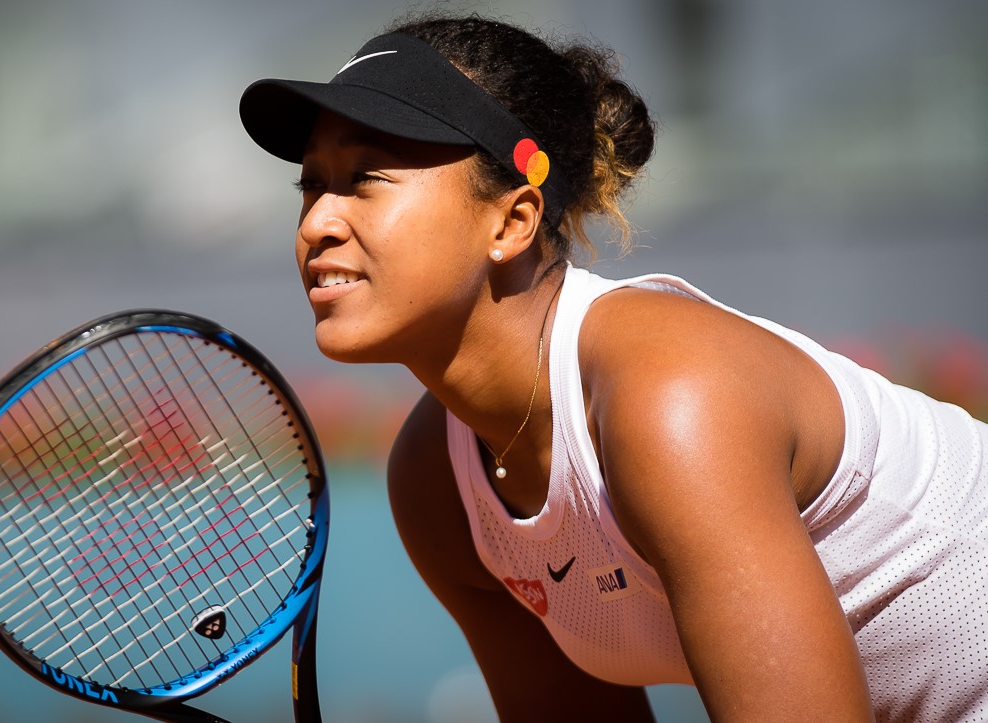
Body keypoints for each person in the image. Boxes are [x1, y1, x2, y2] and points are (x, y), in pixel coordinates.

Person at [238, 13, 988, 722]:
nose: (317, 223)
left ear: (511, 221)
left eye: (366, 178)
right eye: (311, 183)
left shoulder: (672, 401)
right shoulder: (436, 482)